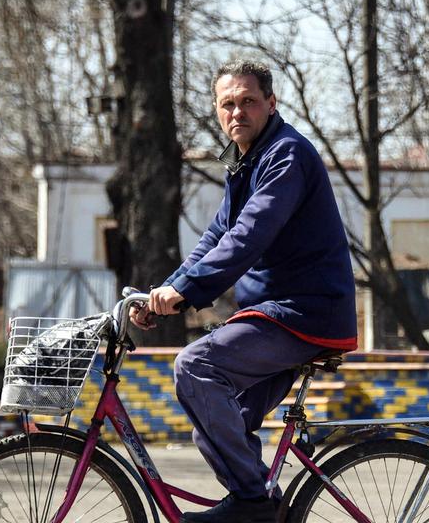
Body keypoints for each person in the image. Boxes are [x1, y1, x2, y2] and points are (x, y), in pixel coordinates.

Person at [132, 59, 357, 523]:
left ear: (271, 104)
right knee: (214, 424)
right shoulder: (245, 162)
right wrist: (166, 291)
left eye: (249, 101)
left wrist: (187, 292)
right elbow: (215, 237)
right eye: (227, 104)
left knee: (195, 366)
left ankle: (255, 505)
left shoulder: (285, 155)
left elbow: (248, 236)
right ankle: (262, 506)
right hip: (280, 314)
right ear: (217, 111)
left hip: (307, 313)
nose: (238, 112)